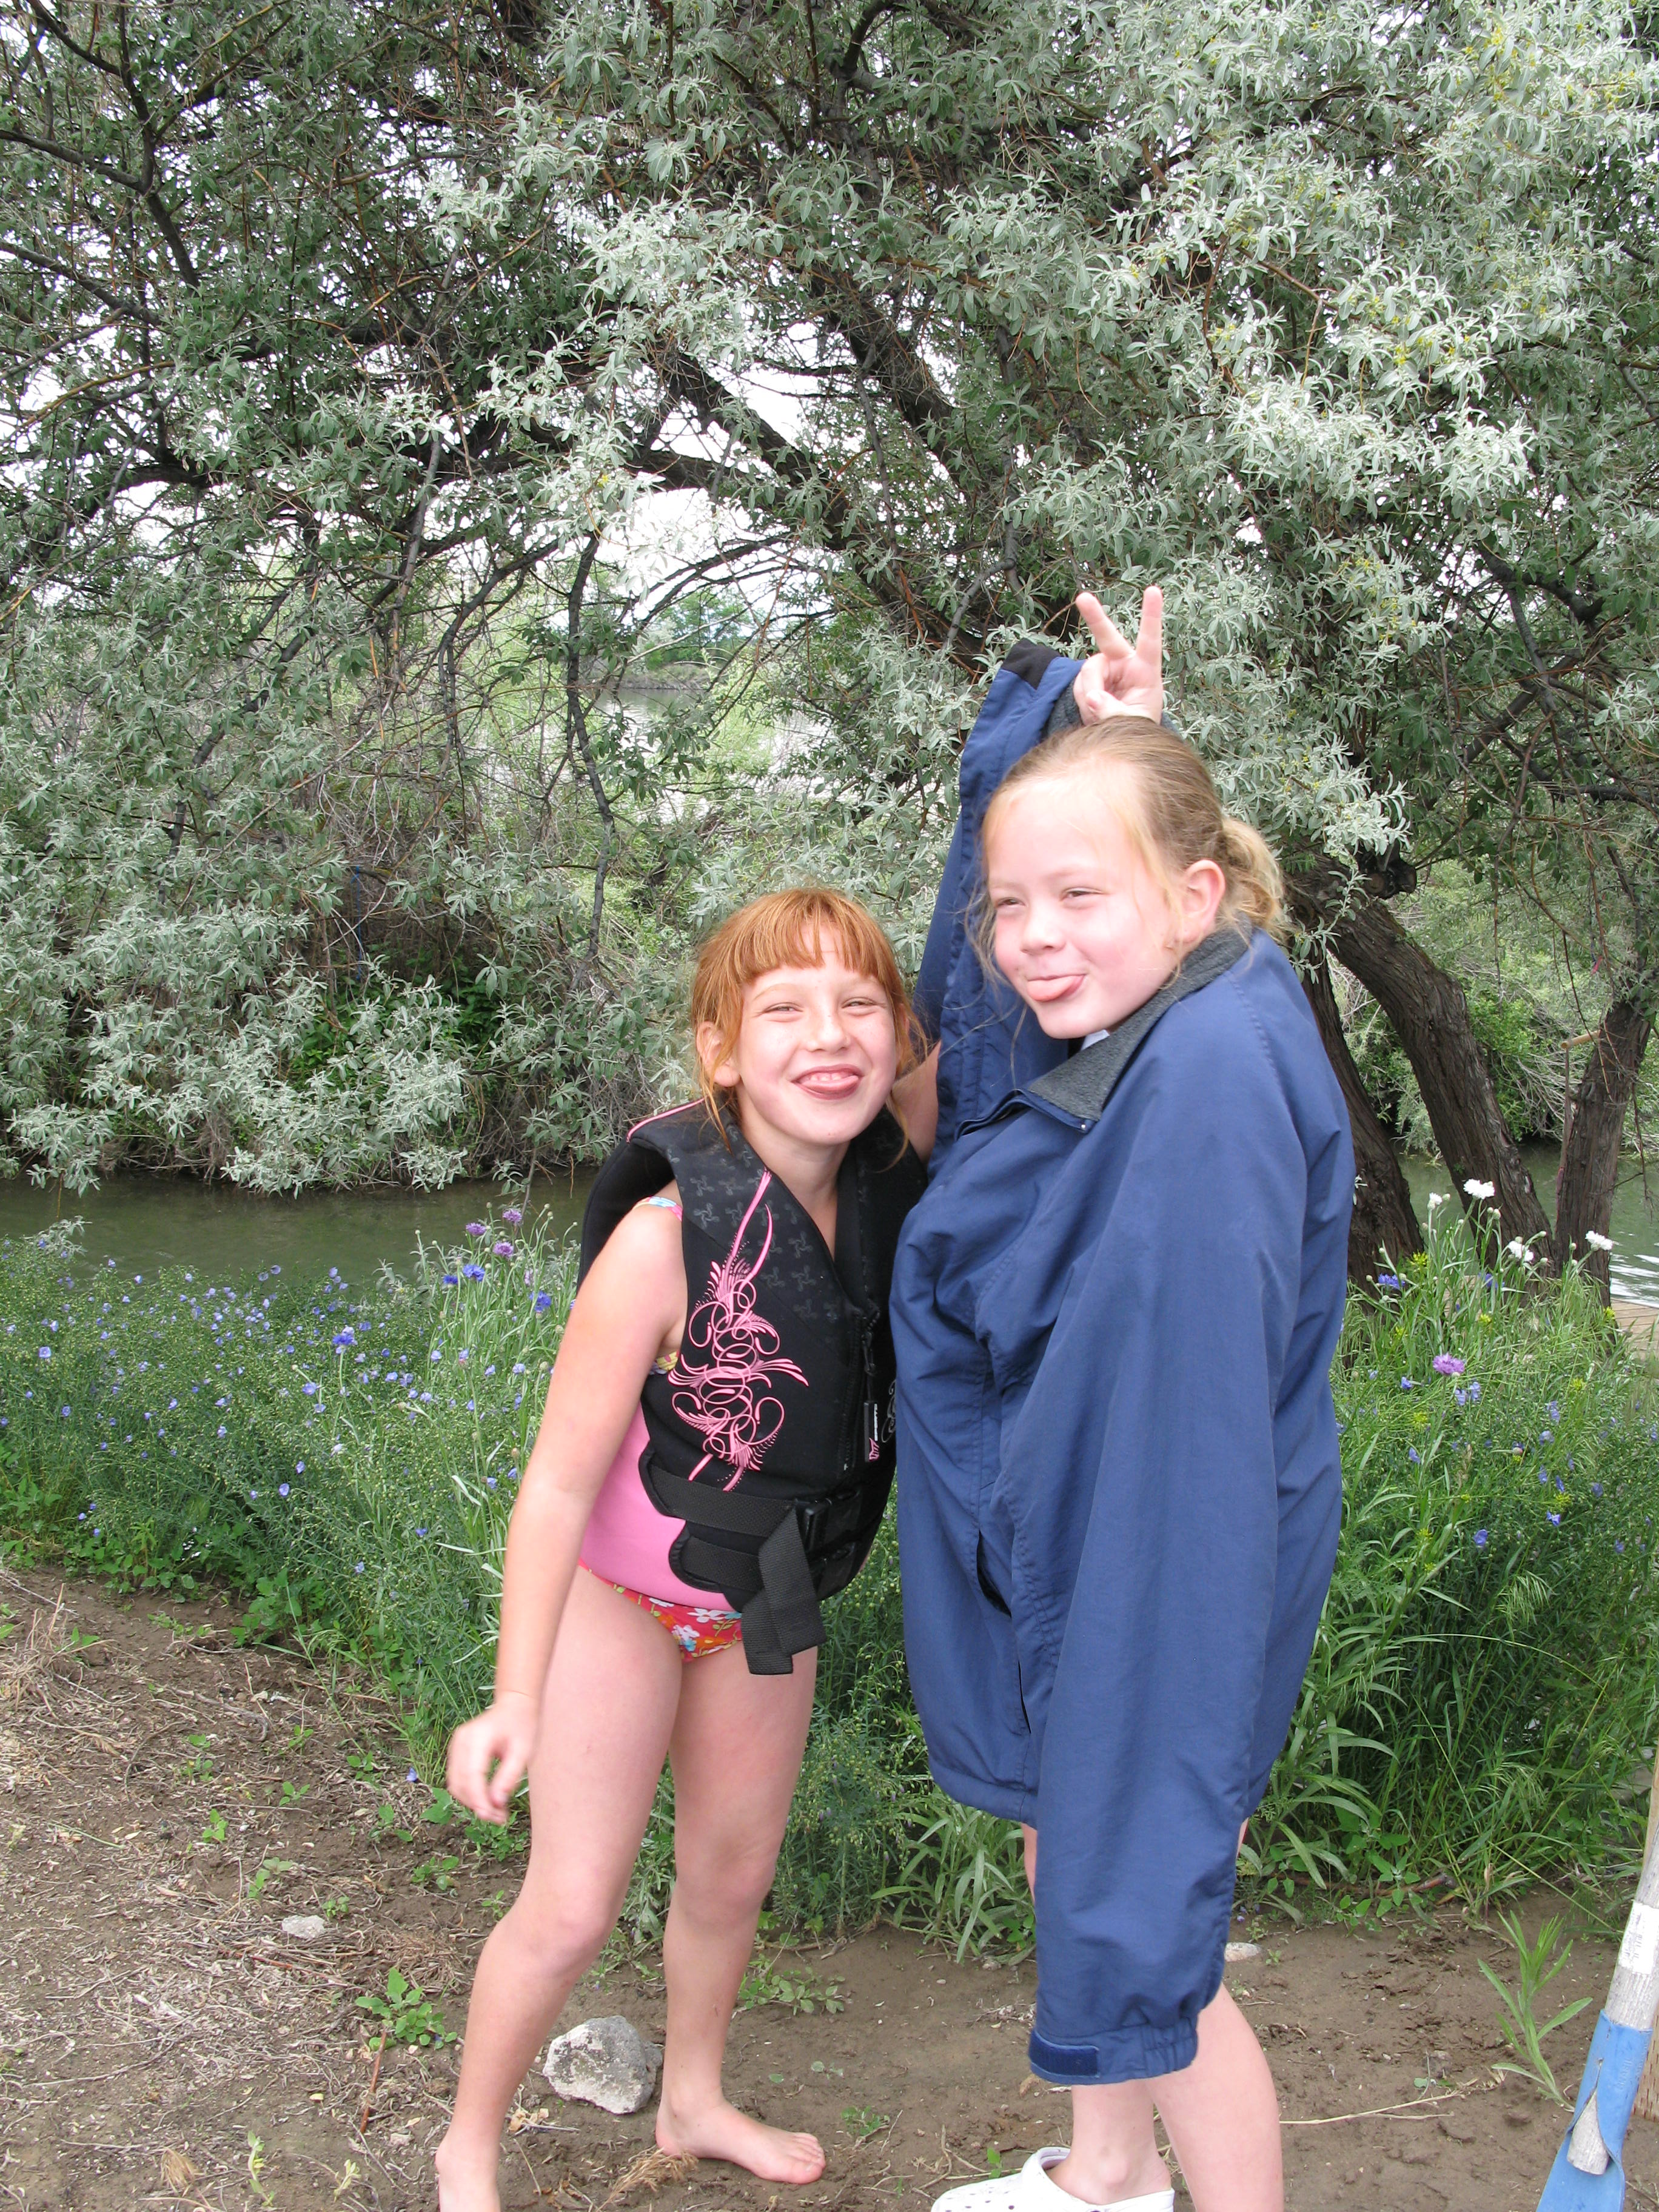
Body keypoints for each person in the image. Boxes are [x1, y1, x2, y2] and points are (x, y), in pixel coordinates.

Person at [892, 592, 1353, 2212]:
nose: (1030, 938)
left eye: (1079, 896)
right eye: (1012, 902)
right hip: (1097, 1529)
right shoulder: (1170, 1005)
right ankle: (1105, 2181)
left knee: (1142, 1902)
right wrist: (1087, 738)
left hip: (1155, 1560)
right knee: (1077, 1857)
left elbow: (1183, 1457)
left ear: (1194, 895)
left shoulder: (1208, 1086)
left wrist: (1132, 1696)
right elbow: (996, 1023)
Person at [436, 888, 931, 2212]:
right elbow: (555, 1487)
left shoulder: (889, 1177)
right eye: (784, 1010)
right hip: (625, 1605)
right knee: (573, 1906)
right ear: (720, 1050)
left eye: (859, 1007)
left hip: (765, 1604)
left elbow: (998, 978)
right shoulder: (661, 1245)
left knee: (730, 1879)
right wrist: (514, 1695)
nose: (828, 1037)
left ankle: (693, 2097)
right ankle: (467, 2147)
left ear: (898, 1038)